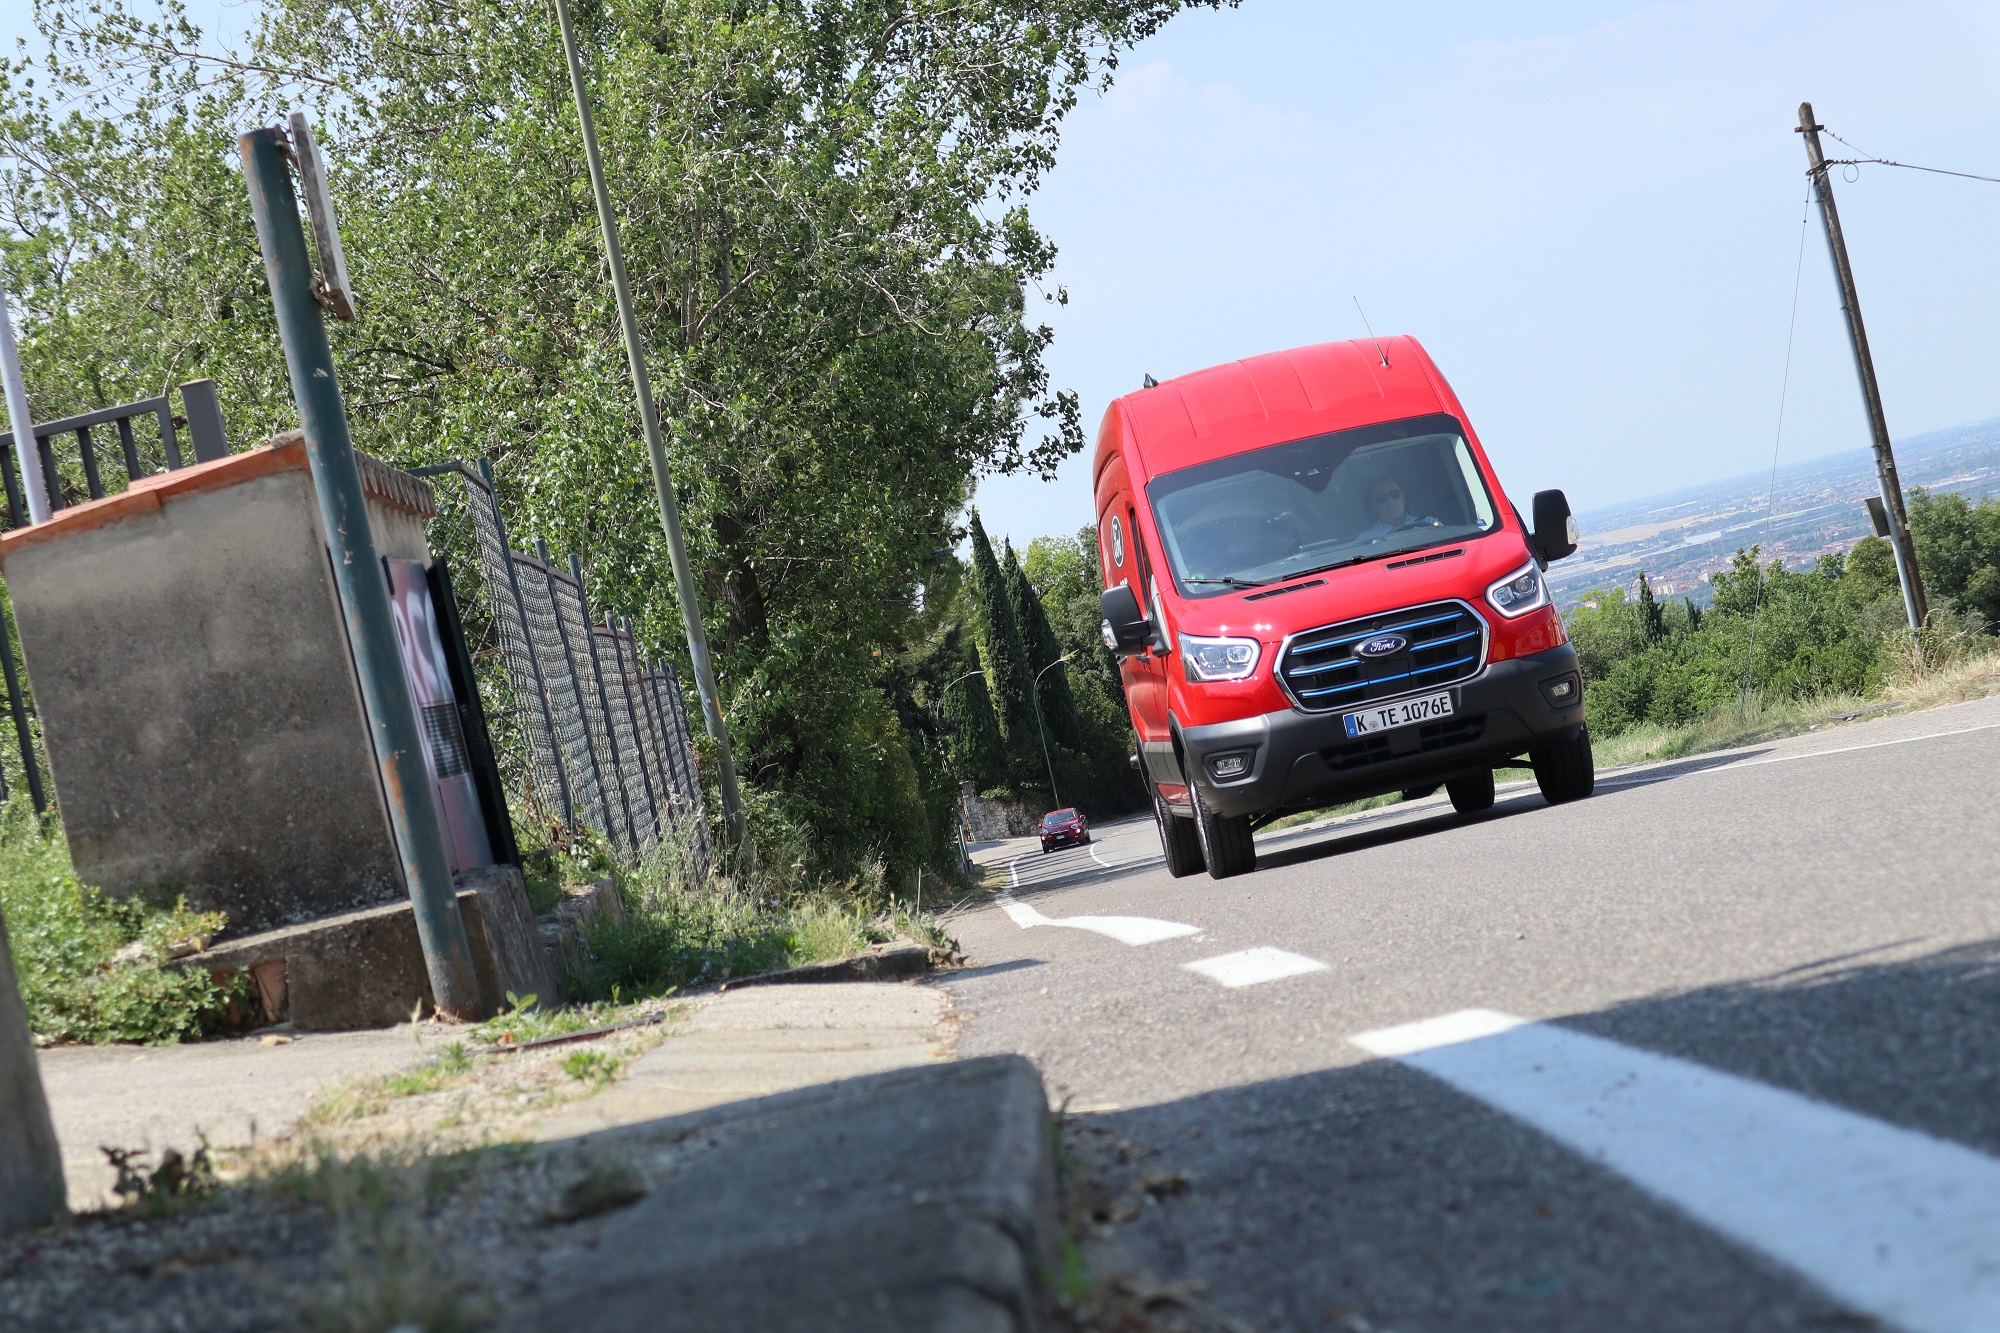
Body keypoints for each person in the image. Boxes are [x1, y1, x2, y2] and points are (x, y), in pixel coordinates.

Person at [1356, 476, 1441, 541]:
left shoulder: (1430, 523)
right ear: (1373, 506)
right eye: (1382, 498)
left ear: (1403, 499)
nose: (1390, 500)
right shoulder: (1366, 539)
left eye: (1394, 494)